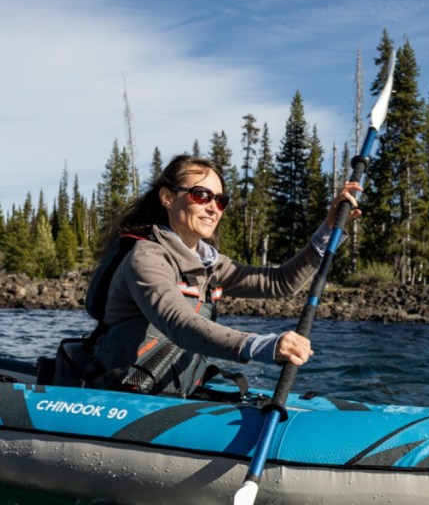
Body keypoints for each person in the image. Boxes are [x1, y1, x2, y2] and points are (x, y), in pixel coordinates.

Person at [79, 153, 360, 397]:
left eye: (220, 200)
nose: (213, 207)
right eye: (201, 195)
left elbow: (280, 282)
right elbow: (180, 324)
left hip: (169, 393)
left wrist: (328, 230)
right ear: (167, 197)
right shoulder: (146, 257)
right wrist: (261, 345)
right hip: (121, 394)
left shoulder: (210, 262)